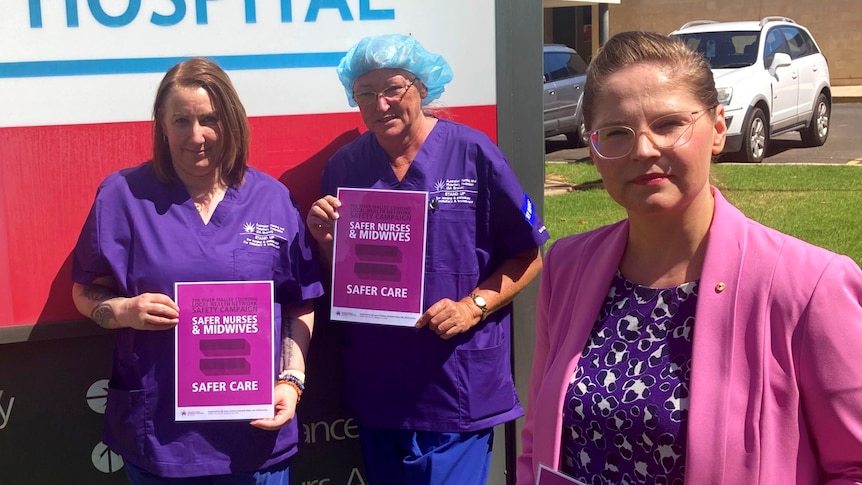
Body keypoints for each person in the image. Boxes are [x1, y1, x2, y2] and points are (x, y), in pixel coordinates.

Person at [517, 31, 862, 485]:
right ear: (594, 148)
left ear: (718, 128)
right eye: (617, 132)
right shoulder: (568, 266)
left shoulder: (809, 286)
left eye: (668, 124)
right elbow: (538, 442)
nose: (643, 149)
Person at [306, 34, 549, 484]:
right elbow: (341, 274)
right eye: (364, 93)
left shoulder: (472, 153)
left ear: (421, 86)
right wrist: (324, 241)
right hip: (379, 382)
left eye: (393, 88)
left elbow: (529, 254)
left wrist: (471, 307)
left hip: (454, 381)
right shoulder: (345, 167)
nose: (380, 105)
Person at [71, 57, 324, 483]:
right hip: (161, 437)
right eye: (181, 120)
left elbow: (299, 301)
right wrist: (125, 311)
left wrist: (291, 381)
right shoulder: (122, 196)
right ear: (162, 126)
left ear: (232, 121)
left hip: (254, 436)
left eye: (210, 120)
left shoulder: (272, 198)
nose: (197, 136)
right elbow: (85, 292)